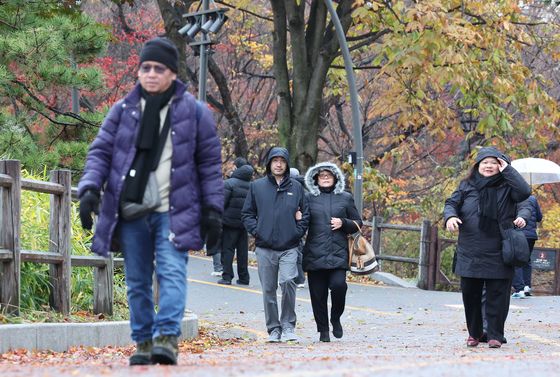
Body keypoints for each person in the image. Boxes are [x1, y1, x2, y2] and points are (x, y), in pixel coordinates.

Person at [78, 37, 223, 365]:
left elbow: (210, 166)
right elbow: (100, 151)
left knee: (172, 272)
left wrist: (214, 210)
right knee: (138, 281)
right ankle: (143, 341)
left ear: (173, 73)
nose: (151, 74)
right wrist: (88, 190)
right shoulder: (124, 110)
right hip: (130, 210)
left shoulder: (195, 113)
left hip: (175, 210)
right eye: (146, 68)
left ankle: (167, 338)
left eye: (159, 68)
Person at [444, 146, 530, 349]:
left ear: (501, 165)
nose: (489, 166)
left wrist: (508, 169)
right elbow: (451, 203)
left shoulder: (509, 187)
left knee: (497, 295)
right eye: (485, 162)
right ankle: (474, 333)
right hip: (470, 247)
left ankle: (495, 335)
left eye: (494, 162)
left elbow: (525, 192)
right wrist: (451, 216)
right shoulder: (466, 185)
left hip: (499, 247)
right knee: (470, 294)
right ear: (477, 166)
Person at [241, 147, 310, 343]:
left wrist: (297, 233)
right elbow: (247, 214)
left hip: (289, 247)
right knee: (268, 289)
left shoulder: (296, 188)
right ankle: (274, 328)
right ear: (269, 164)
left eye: (282, 160)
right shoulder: (257, 187)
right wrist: (257, 231)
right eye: (275, 160)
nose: (278, 164)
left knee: (288, 281)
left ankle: (288, 326)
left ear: (287, 164)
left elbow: (306, 214)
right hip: (265, 247)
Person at [302, 162, 362, 342]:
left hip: (338, 253)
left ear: (335, 178)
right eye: (322, 176)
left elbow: (358, 223)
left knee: (339, 286)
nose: (325, 178)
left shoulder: (345, 198)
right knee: (317, 295)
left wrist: (344, 223)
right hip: (314, 253)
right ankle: (323, 331)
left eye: (329, 175)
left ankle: (335, 318)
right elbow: (301, 220)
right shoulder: (308, 198)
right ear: (316, 179)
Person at [218, 157, 254, 285]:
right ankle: (244, 278)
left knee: (227, 249)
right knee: (242, 252)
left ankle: (227, 277)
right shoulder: (252, 186)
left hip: (229, 223)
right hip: (244, 224)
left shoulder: (229, 183)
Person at [512, 195, 542, 298]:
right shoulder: (533, 198)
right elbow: (539, 217)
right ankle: (526, 286)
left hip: (519, 233)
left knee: (516, 260)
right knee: (526, 260)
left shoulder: (514, 197)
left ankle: (519, 289)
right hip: (531, 236)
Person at [290, 167, 307, 289]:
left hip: (295, 224)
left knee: (296, 252)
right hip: (302, 225)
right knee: (299, 251)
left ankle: (299, 278)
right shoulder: (305, 188)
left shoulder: (294, 188)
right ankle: (299, 278)